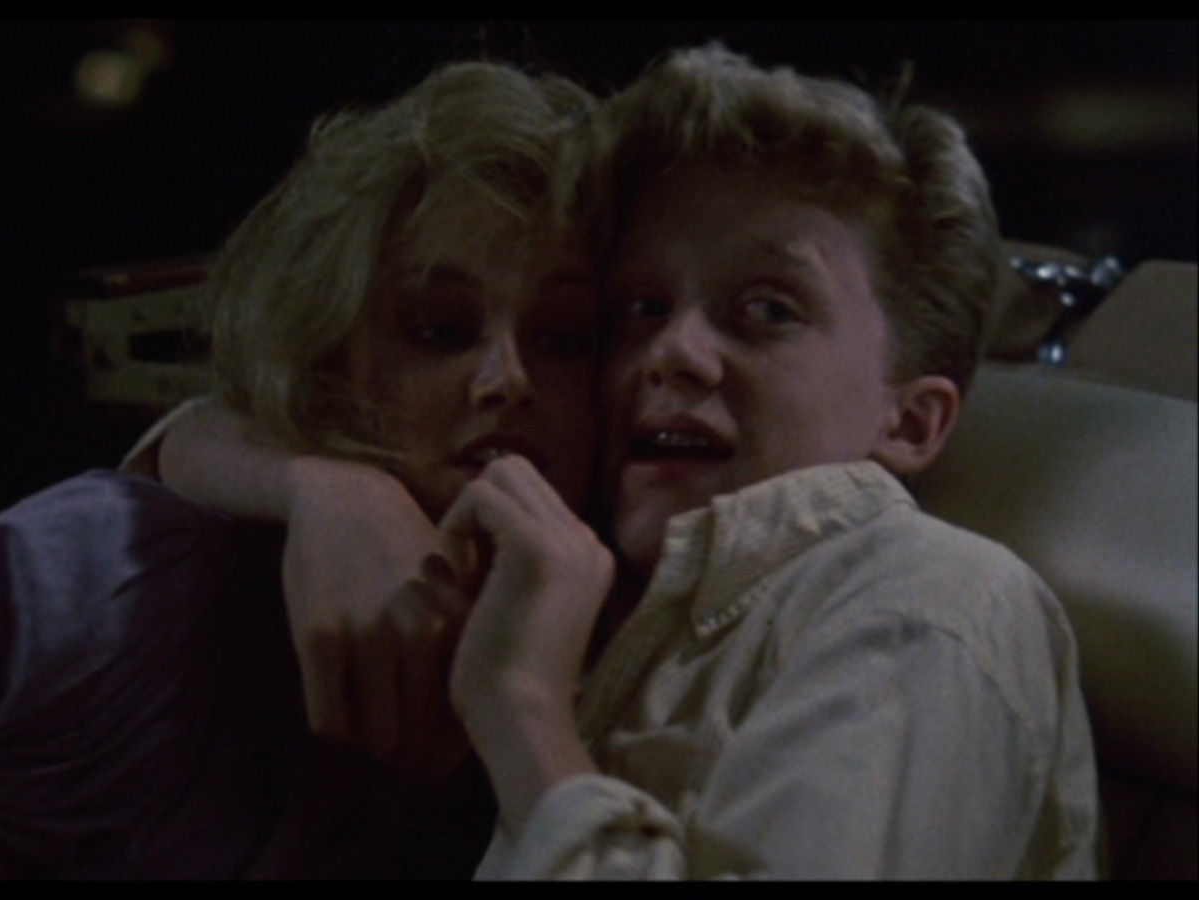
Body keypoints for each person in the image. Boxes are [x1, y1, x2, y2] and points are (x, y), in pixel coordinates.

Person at [159, 44, 1101, 879]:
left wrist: (525, 710)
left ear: (913, 421)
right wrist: (332, 489)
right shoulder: (612, 577)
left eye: (766, 310)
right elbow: (183, 438)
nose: (670, 352)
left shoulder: (926, 605)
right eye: (640, 309)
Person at [0, 58, 611, 878]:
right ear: (332, 354)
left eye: (564, 339)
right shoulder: (128, 597)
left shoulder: (632, 626)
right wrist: (333, 487)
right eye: (439, 331)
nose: (507, 379)